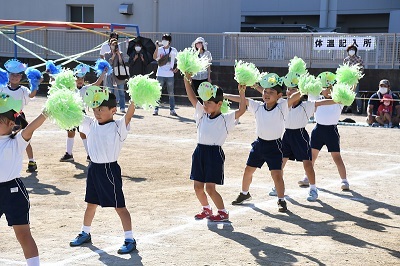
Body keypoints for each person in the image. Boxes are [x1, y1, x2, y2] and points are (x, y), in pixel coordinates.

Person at [69, 91, 137, 254]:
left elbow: (128, 115)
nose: (97, 112)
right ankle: (85, 232)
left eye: (102, 109)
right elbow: (75, 112)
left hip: (109, 170)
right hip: (93, 169)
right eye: (95, 109)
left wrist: (134, 99)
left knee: (119, 206)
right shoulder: (90, 124)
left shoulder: (118, 126)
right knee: (91, 203)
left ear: (113, 110)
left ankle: (130, 239)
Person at [226, 75, 301, 212]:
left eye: (271, 92)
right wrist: (228, 94)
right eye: (265, 91)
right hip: (259, 145)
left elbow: (295, 96)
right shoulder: (258, 106)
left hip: (275, 146)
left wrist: (305, 88)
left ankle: (281, 200)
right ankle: (244, 193)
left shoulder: (282, 106)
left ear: (279, 96)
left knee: (277, 175)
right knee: (248, 170)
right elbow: (244, 100)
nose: (266, 94)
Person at [183, 74, 246, 222]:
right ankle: (206, 208)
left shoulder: (226, 118)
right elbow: (192, 97)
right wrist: (186, 80)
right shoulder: (201, 114)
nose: (205, 105)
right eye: (204, 101)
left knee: (210, 188)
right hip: (199, 152)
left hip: (214, 154)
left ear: (219, 104)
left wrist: (242, 92)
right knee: (198, 187)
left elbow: (242, 110)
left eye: (209, 102)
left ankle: (223, 212)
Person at [0, 94, 48, 266]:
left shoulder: (17, 141)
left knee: (22, 233)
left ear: (11, 123)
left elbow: (31, 127)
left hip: (13, 191)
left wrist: (46, 113)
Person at [297, 85, 350, 191]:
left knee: (337, 157)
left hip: (331, 132)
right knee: (311, 156)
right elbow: (309, 91)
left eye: (330, 88)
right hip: (318, 131)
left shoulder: (339, 101)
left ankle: (344, 180)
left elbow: (349, 91)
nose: (327, 90)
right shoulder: (317, 99)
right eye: (325, 88)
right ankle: (307, 177)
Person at [59, 64, 107, 162]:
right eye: (77, 78)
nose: (80, 80)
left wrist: (103, 73)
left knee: (83, 133)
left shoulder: (85, 89)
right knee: (70, 132)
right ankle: (69, 154)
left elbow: (97, 83)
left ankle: (90, 155)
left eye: (82, 78)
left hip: (81, 113)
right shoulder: (70, 88)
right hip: (70, 113)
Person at [0, 59, 39, 173]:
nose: (14, 77)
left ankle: (31, 161)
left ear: (21, 77)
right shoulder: (3, 88)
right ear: (8, 75)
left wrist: (35, 84)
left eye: (17, 75)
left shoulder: (23, 90)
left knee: (24, 138)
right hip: (4, 117)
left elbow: (31, 95)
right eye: (12, 75)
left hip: (17, 116)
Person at [153, 33, 178, 116]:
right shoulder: (159, 49)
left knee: (171, 92)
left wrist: (176, 69)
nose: (164, 41)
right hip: (160, 73)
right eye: (163, 39)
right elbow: (154, 57)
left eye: (166, 40)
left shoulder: (173, 50)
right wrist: (156, 48)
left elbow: (180, 60)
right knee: (157, 92)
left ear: (169, 41)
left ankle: (172, 109)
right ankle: (156, 109)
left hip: (170, 74)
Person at [104, 38, 127, 113]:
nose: (114, 46)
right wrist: (113, 56)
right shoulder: (106, 54)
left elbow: (122, 63)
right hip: (110, 75)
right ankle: (112, 108)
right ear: (110, 45)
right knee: (111, 92)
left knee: (121, 92)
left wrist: (118, 55)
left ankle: (122, 107)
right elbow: (107, 65)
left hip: (119, 75)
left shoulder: (121, 53)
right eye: (112, 44)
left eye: (115, 44)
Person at [343, 44, 364, 114]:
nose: (352, 51)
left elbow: (362, 69)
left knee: (356, 93)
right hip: (347, 79)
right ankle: (348, 107)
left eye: (353, 50)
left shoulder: (359, 58)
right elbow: (343, 69)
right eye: (350, 50)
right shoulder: (346, 59)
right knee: (348, 93)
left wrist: (357, 76)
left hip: (355, 79)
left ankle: (360, 108)